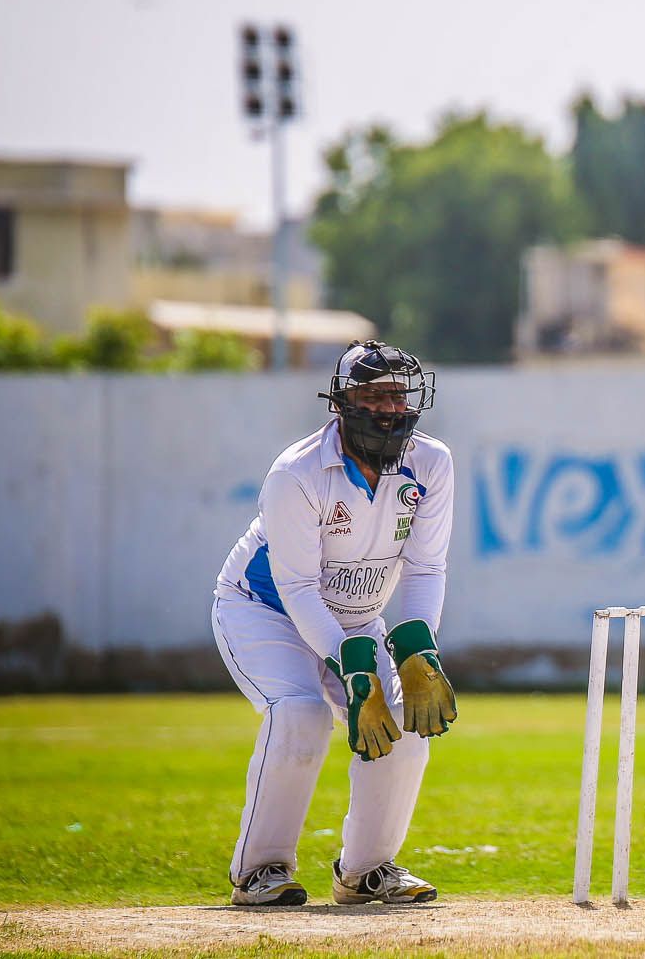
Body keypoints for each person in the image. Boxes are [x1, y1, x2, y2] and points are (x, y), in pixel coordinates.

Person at [211, 340, 458, 907]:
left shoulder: (432, 462)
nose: (389, 409)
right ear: (342, 403)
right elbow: (297, 587)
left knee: (405, 724)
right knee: (300, 714)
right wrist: (352, 669)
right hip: (265, 609)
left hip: (358, 616)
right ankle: (260, 871)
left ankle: (366, 870)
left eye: (397, 396)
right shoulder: (296, 473)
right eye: (374, 397)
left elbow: (426, 567)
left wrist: (420, 652)